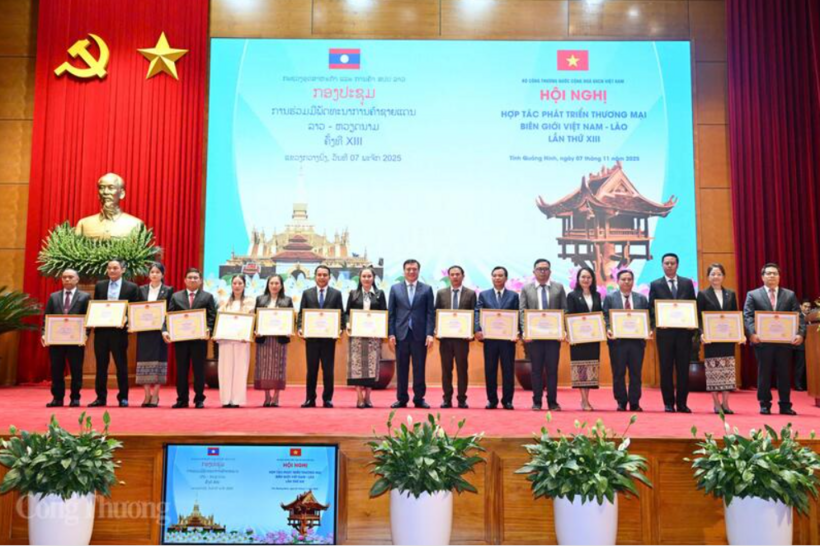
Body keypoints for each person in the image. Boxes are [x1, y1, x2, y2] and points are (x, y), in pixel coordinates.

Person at [743, 263, 805, 415]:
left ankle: (785, 405)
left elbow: (799, 316)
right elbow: (748, 316)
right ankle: (764, 404)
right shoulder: (753, 294)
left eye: (775, 273)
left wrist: (800, 334)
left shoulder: (789, 295)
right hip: (762, 341)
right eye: (768, 273)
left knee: (784, 373)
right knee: (764, 373)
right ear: (762, 276)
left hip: (784, 342)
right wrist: (752, 334)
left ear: (779, 276)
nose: (772, 276)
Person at [648, 253, 697, 413]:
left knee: (683, 369)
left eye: (672, 263)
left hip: (684, 334)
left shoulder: (687, 283)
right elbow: (651, 309)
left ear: (677, 265)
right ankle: (668, 403)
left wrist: (692, 324)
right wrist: (656, 324)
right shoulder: (656, 284)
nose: (669, 266)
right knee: (666, 369)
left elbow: (693, 305)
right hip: (665, 334)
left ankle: (682, 403)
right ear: (662, 265)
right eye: (666, 263)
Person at [163, 268, 217, 409]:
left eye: (195, 278)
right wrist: (165, 330)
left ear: (200, 280)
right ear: (185, 280)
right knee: (181, 370)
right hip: (181, 340)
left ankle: (199, 399)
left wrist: (208, 329)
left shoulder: (207, 297)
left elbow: (212, 317)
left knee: (199, 370)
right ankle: (182, 399)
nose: (193, 280)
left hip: (199, 340)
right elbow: (169, 316)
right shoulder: (176, 297)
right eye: (190, 277)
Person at [89, 259, 140, 407]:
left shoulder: (131, 287)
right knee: (101, 366)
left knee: (121, 366)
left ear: (123, 270)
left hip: (119, 332)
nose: (112, 271)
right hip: (101, 332)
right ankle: (100, 398)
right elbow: (96, 306)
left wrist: (126, 318)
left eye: (115, 268)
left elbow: (134, 309)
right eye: (109, 268)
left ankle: (123, 397)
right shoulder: (100, 285)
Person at [519, 259, 567, 411]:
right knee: (536, 370)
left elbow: (564, 310)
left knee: (552, 370)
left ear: (550, 272)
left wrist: (563, 330)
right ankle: (537, 401)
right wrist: (525, 331)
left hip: (553, 337)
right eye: (539, 269)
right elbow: (522, 311)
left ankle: (552, 402)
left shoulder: (558, 288)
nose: (542, 272)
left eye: (545, 269)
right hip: (534, 337)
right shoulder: (526, 289)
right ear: (534, 272)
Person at [388, 259, 435, 409]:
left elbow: (430, 314)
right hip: (400, 335)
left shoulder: (427, 289)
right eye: (408, 269)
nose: (411, 272)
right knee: (402, 369)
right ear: (404, 271)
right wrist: (391, 333)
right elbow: (391, 314)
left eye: (414, 269)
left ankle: (419, 398)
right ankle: (402, 399)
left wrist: (430, 334)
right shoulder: (395, 289)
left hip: (419, 335)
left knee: (419, 368)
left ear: (418, 271)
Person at [696, 263, 741, 414]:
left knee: (727, 371)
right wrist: (702, 333)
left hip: (727, 339)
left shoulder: (731, 294)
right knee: (713, 371)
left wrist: (738, 333)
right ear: (708, 277)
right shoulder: (703, 294)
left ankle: (726, 403)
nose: (716, 277)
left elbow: (735, 316)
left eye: (719, 274)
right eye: (713, 274)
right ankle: (716, 403)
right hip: (711, 340)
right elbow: (699, 317)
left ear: (723, 276)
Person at [41, 269, 90, 407]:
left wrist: (85, 335)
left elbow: (88, 319)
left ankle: (75, 398)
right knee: (56, 369)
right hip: (56, 340)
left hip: (76, 341)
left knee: (76, 370)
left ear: (77, 279)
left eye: (70, 277)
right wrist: (44, 333)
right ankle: (57, 398)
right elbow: (46, 318)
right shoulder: (54, 296)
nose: (67, 279)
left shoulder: (85, 297)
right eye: (64, 277)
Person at [603, 269, 650, 411]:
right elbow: (605, 317)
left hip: (637, 342)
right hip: (617, 342)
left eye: (629, 279)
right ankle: (621, 401)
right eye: (623, 279)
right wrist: (608, 328)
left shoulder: (641, 299)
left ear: (633, 281)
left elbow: (647, 318)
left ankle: (634, 402)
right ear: (617, 281)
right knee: (618, 373)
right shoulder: (610, 298)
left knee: (636, 373)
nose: (627, 282)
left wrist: (648, 329)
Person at [298, 265, 344, 408]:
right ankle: (310, 399)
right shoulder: (307, 293)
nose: (322, 277)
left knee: (328, 370)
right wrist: (300, 327)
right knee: (311, 370)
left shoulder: (336, 294)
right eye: (319, 275)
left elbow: (341, 314)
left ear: (329, 277)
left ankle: (327, 399)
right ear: (315, 276)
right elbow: (301, 313)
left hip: (329, 339)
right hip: (311, 338)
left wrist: (340, 328)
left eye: (325, 275)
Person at [476, 266, 520, 410]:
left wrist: (517, 332)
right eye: (495, 275)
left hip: (508, 340)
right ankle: (492, 400)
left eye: (500, 275)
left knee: (508, 370)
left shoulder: (513, 296)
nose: (497, 278)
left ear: (506, 278)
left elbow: (518, 315)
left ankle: (507, 401)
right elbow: (477, 313)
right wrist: (478, 330)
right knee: (490, 370)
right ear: (491, 277)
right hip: (490, 340)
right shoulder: (484, 295)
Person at [434, 265, 476, 409]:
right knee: (446, 370)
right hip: (445, 339)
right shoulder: (441, 293)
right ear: (448, 276)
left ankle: (462, 399)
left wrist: (471, 332)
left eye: (458, 274)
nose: (455, 277)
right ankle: (447, 399)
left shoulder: (471, 293)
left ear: (463, 276)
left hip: (462, 340)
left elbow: (474, 314)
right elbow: (436, 313)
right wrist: (437, 329)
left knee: (462, 370)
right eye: (452, 274)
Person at [345, 266, 387, 408]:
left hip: (373, 336)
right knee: (356, 366)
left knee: (371, 366)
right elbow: (347, 313)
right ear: (360, 278)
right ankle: (359, 397)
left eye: (369, 276)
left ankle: (368, 397)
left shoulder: (380, 294)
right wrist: (348, 323)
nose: (367, 279)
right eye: (364, 276)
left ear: (373, 278)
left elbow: (384, 313)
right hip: (356, 336)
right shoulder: (353, 294)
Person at [136, 262, 173, 407]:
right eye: (152, 272)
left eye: (158, 272)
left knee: (159, 361)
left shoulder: (168, 290)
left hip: (160, 332)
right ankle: (146, 395)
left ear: (162, 274)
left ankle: (156, 395)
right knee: (143, 361)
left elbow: (170, 311)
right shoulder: (141, 290)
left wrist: (165, 329)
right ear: (149, 274)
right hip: (144, 331)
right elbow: (136, 309)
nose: (154, 274)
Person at [566, 267, 602, 411]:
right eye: (583, 277)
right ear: (578, 279)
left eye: (588, 277)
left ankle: (585, 399)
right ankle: (584, 400)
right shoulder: (572, 295)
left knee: (591, 367)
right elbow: (569, 315)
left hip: (593, 337)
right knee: (580, 368)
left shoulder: (597, 295)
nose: (586, 280)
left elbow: (599, 314)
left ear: (592, 279)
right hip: (578, 338)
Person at [254, 275, 293, 407]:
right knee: (264, 367)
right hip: (264, 338)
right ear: (268, 285)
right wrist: (256, 330)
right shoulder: (260, 299)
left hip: (280, 339)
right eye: (272, 283)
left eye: (277, 283)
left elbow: (290, 319)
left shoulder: (287, 300)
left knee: (278, 367)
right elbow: (256, 318)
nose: (274, 286)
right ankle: (266, 396)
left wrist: (289, 329)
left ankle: (276, 396)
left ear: (281, 286)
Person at [216, 275, 255, 407]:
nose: (237, 286)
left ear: (244, 285)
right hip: (225, 339)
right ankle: (225, 400)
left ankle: (236, 400)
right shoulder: (223, 301)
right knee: (225, 369)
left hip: (242, 340)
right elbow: (219, 320)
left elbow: (251, 321)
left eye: (240, 283)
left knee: (240, 369)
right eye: (235, 283)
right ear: (231, 285)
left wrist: (247, 333)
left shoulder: (250, 301)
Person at [75, 173, 144, 239]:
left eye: (111, 188)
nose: (105, 192)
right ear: (98, 194)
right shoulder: (84, 224)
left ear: (122, 193)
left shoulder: (136, 224)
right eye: (102, 188)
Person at [794, 299, 812, 391]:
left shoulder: (812, 318)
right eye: (805, 306)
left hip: (811, 347)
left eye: (809, 307)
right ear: (800, 306)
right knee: (800, 365)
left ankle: (807, 384)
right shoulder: (798, 317)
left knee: (809, 366)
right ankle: (798, 384)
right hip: (800, 346)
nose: (807, 308)